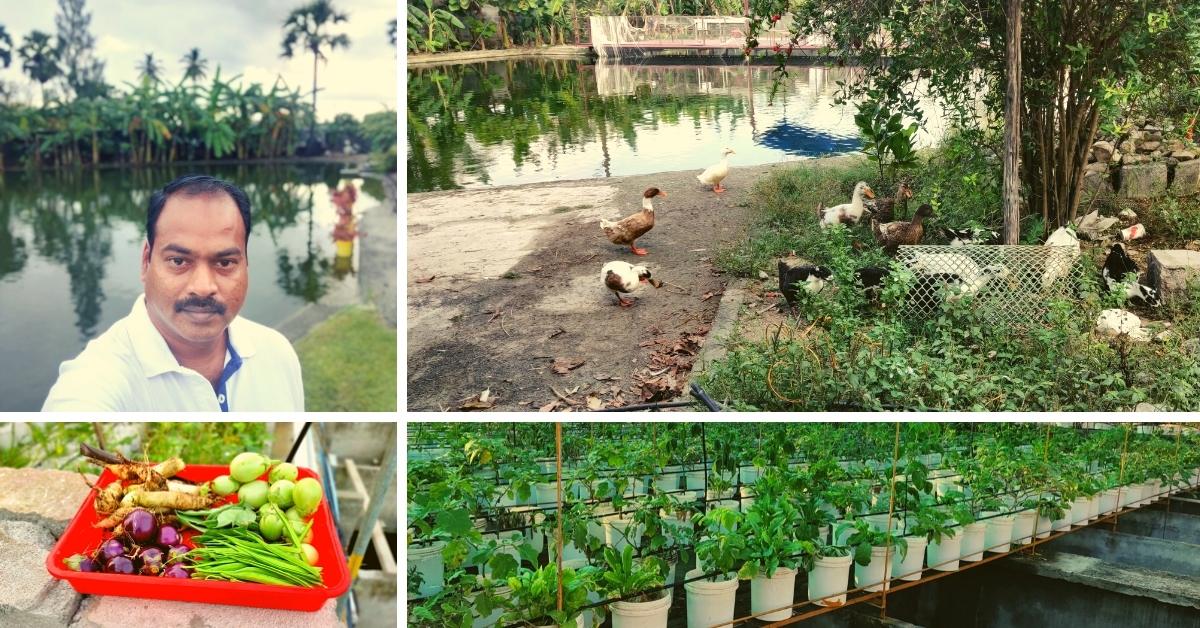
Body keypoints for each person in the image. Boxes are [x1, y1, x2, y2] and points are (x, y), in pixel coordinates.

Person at [42, 175, 304, 411]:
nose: (203, 287)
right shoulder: (96, 380)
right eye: (179, 261)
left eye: (224, 263)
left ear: (246, 265)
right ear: (146, 261)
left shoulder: (277, 352)